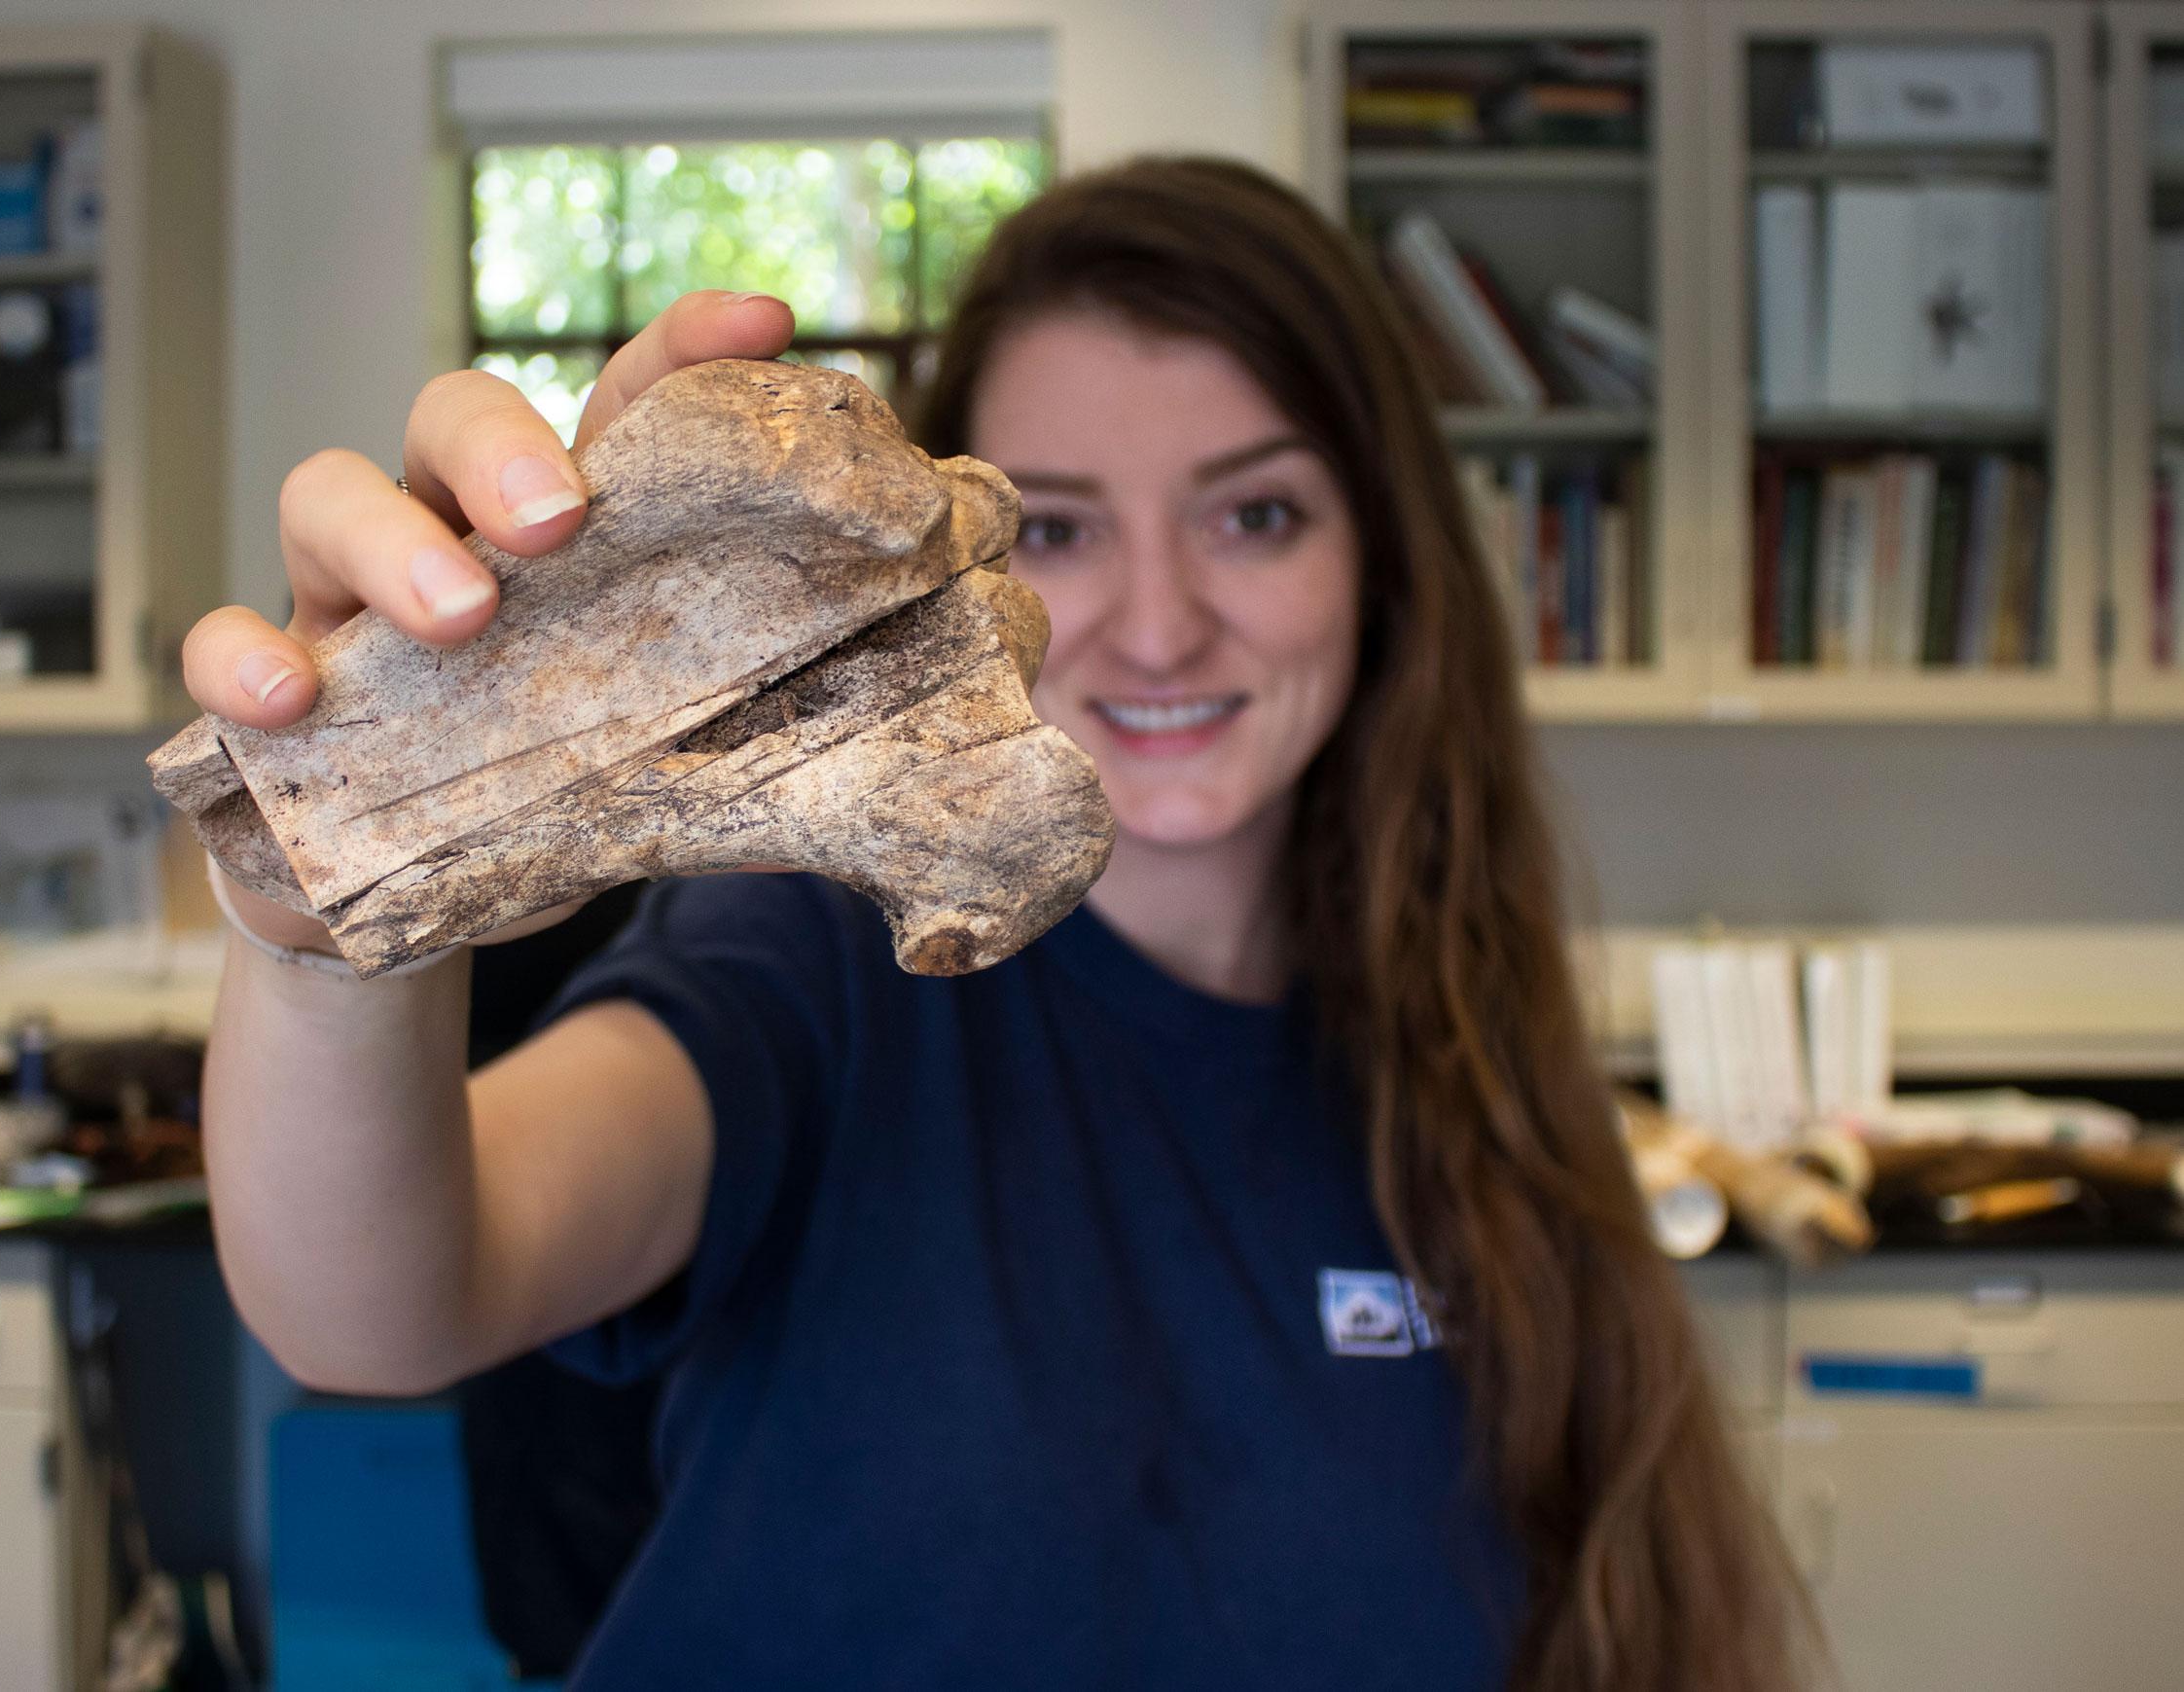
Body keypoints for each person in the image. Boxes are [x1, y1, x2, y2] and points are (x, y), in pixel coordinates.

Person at [185, 157, 1814, 1689]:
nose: (1163, 624)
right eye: (1065, 527)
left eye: (1255, 516)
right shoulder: (824, 967)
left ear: (1384, 561)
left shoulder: (1465, 1049)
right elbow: (383, 1302)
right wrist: (330, 863)